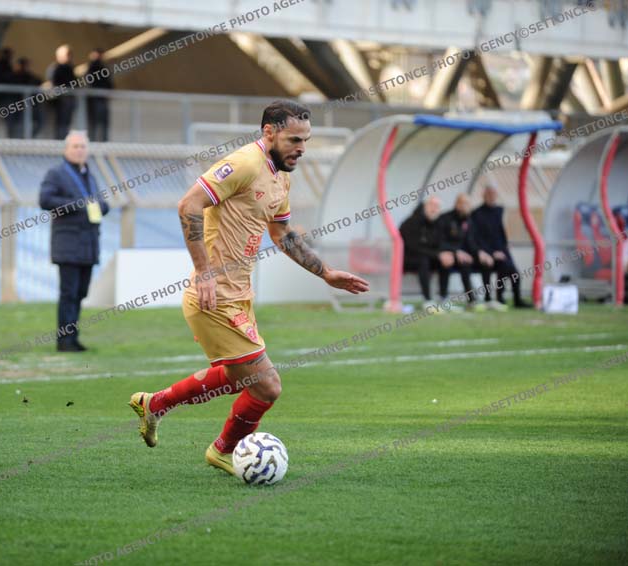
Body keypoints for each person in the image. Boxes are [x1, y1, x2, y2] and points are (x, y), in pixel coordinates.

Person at [127, 101, 369, 476]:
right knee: (267, 386)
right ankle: (224, 450)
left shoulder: (281, 176)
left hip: (239, 296)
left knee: (238, 378)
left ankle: (155, 404)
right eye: (294, 139)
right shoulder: (244, 164)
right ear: (269, 132)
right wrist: (203, 272)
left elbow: (282, 234)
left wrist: (326, 273)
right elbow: (189, 205)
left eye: (306, 140)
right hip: (214, 297)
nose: (302, 148)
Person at [39, 131, 109, 352]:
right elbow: (45, 199)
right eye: (75, 146)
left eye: (82, 146)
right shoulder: (56, 173)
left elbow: (101, 203)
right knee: (68, 293)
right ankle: (64, 340)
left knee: (80, 293)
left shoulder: (89, 175)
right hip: (68, 243)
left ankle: (73, 337)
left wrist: (100, 206)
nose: (79, 150)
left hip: (89, 244)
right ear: (66, 149)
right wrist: (78, 204)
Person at [471, 186, 531, 308]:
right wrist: (490, 253)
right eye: (489, 194)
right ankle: (490, 298)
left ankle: (516, 300)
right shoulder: (476, 213)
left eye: (493, 194)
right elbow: (476, 238)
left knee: (514, 272)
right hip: (485, 252)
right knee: (488, 267)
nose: (491, 197)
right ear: (484, 196)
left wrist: (505, 245)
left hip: (501, 249)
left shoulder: (499, 211)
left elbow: (500, 231)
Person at [437, 193, 488, 309]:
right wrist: (455, 251)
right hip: (444, 252)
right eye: (462, 203)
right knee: (447, 261)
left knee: (474, 263)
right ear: (457, 204)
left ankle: (474, 300)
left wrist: (479, 252)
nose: (465, 206)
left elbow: (471, 242)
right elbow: (440, 241)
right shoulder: (445, 218)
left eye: (467, 204)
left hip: (462, 255)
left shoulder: (468, 220)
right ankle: (443, 298)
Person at [400, 196, 445, 303]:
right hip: (407, 259)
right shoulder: (412, 222)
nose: (434, 209)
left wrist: (445, 254)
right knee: (423, 261)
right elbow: (414, 247)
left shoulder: (439, 223)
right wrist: (437, 255)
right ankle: (428, 300)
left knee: (446, 260)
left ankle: (443, 297)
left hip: (429, 257)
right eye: (431, 205)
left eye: (437, 206)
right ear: (425, 206)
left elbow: (441, 244)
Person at [10, 57, 44, 138]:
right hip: (18, 105)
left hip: (32, 104)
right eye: (23, 65)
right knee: (19, 126)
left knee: (40, 123)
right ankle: (19, 139)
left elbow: (38, 81)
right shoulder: (14, 76)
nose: (25, 67)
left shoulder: (31, 77)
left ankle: (28, 138)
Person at [85, 48, 112, 142]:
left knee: (99, 124)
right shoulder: (95, 67)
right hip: (96, 100)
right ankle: (97, 142)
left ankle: (98, 142)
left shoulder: (98, 67)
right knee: (97, 124)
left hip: (100, 99)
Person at [52, 45, 77, 139]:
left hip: (68, 99)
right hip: (62, 99)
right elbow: (56, 82)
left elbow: (75, 83)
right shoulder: (57, 68)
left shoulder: (69, 68)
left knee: (66, 123)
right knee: (62, 123)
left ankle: (64, 140)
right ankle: (61, 142)